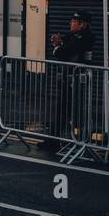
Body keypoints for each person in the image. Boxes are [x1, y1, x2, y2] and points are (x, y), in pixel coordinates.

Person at [43, 11, 96, 151]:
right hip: (69, 79)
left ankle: (76, 140)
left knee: (70, 110)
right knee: (62, 109)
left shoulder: (84, 37)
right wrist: (59, 42)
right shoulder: (74, 36)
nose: (70, 23)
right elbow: (64, 42)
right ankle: (54, 140)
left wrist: (57, 47)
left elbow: (63, 52)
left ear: (82, 24)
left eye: (74, 21)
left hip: (77, 80)